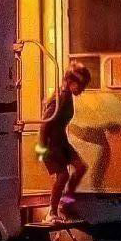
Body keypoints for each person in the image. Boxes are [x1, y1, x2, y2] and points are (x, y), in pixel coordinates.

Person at [39, 63, 91, 221]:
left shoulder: (67, 96)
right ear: (70, 81)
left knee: (81, 167)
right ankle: (52, 212)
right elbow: (44, 124)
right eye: (81, 86)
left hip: (62, 142)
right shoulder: (60, 98)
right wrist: (41, 149)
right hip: (51, 143)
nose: (82, 90)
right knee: (63, 176)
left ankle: (67, 203)